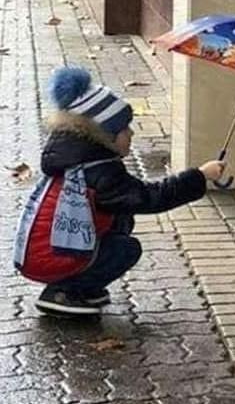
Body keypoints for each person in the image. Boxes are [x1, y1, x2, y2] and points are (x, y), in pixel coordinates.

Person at [14, 66, 224, 317]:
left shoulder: (78, 161)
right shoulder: (100, 173)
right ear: (107, 135)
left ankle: (79, 285)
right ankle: (66, 291)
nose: (132, 133)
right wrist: (200, 176)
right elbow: (151, 197)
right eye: (125, 129)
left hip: (39, 253)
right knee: (126, 248)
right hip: (50, 256)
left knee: (121, 217)